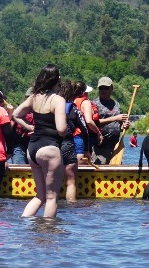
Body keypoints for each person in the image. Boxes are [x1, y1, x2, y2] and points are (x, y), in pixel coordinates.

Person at [13, 64, 67, 217]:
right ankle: (48, 233)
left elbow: (16, 114)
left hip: (32, 148)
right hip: (49, 148)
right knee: (51, 197)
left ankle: (24, 223)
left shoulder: (34, 97)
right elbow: (61, 129)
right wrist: (65, 133)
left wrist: (29, 127)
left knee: (40, 196)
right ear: (57, 80)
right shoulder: (58, 100)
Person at [92, 76, 131, 164]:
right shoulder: (94, 104)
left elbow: (120, 124)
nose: (103, 90)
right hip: (100, 147)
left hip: (115, 146)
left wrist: (124, 126)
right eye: (101, 88)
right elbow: (94, 123)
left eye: (106, 88)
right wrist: (115, 118)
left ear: (111, 89)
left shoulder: (116, 104)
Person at [60, 79, 85, 202]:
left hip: (50, 144)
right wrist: (87, 149)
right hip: (67, 144)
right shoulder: (72, 108)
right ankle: (71, 207)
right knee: (71, 181)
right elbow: (84, 129)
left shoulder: (49, 106)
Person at [73, 81, 102, 164]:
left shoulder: (72, 101)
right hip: (82, 136)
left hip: (72, 136)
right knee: (82, 165)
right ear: (84, 92)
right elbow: (89, 121)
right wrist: (98, 132)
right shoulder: (85, 102)